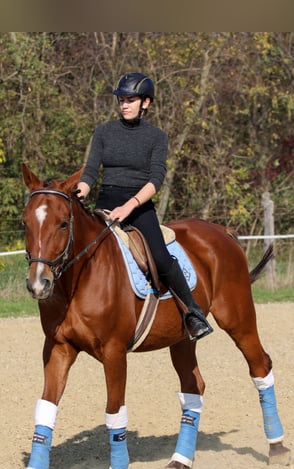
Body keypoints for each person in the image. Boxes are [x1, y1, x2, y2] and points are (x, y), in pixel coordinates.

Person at [76, 72, 213, 341]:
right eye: (121, 100)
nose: (124, 105)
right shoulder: (103, 132)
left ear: (146, 103)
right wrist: (81, 190)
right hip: (104, 204)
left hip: (139, 208)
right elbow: (91, 171)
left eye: (130, 100)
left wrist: (129, 207)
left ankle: (192, 313)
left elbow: (156, 179)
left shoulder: (156, 137)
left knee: (161, 257)